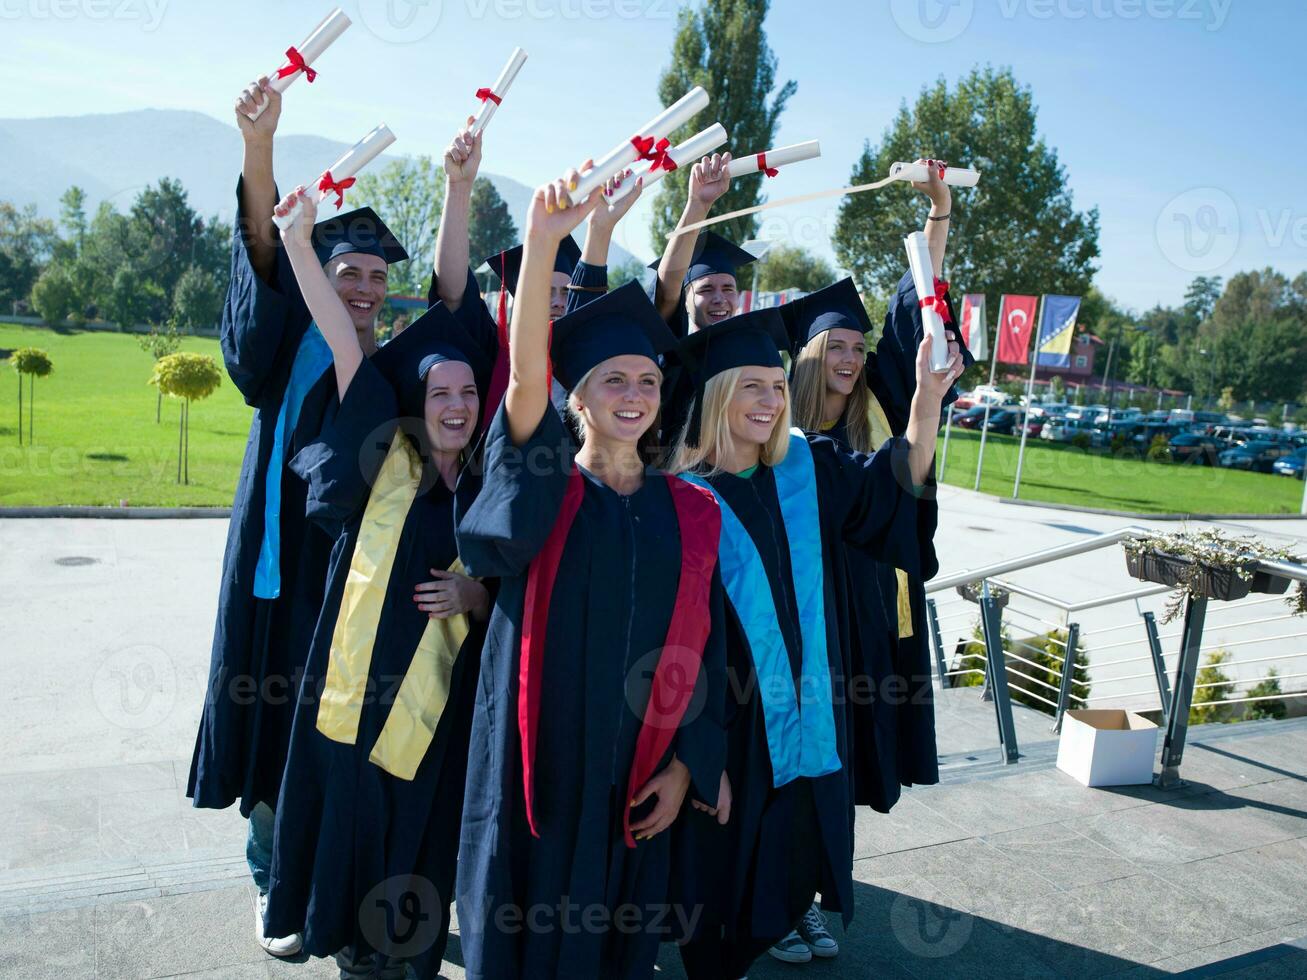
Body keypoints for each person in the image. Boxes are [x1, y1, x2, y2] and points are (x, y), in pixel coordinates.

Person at [453, 167, 728, 980]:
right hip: (537, 775)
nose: (634, 393)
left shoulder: (689, 510)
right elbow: (526, 371)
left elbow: (706, 655)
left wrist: (689, 764)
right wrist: (543, 244)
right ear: (575, 397)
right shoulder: (546, 485)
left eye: (646, 380)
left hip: (633, 779)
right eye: (612, 378)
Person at [663, 305, 961, 980]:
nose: (771, 402)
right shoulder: (676, 500)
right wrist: (699, 756)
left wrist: (925, 398)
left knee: (786, 875)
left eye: (776, 386)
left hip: (807, 730)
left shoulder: (807, 466)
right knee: (714, 906)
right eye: (752, 387)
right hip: (729, 736)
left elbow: (893, 487)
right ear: (715, 396)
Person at [187, 75, 409, 958]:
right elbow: (264, 263)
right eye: (346, 270)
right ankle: (271, 875)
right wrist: (259, 149)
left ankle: (325, 879)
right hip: (278, 571)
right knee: (274, 719)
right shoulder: (284, 346)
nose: (360, 288)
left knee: (334, 728)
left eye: (375, 278)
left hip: (352, 576)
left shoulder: (384, 363)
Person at [257, 187, 494, 980]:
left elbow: (520, 589)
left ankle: (413, 953)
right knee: (355, 820)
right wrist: (295, 241)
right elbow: (343, 337)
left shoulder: (495, 486)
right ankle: (354, 948)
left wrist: (476, 596)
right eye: (440, 393)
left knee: (424, 833)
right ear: (413, 402)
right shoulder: (384, 461)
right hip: (357, 695)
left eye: (467, 392)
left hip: (443, 708)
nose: (456, 404)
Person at [769, 159, 969, 965]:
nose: (851, 359)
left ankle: (817, 901)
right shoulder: (769, 421)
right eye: (835, 346)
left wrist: (939, 214)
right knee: (789, 766)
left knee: (843, 763)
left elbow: (918, 304)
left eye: (857, 345)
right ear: (806, 353)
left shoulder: (879, 402)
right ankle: (779, 901)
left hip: (869, 622)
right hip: (797, 625)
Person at [429, 117, 642, 424]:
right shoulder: (495, 355)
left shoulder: (596, 368)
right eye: (546, 291)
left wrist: (600, 229)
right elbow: (452, 293)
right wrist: (459, 187)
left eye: (566, 292)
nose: (557, 301)